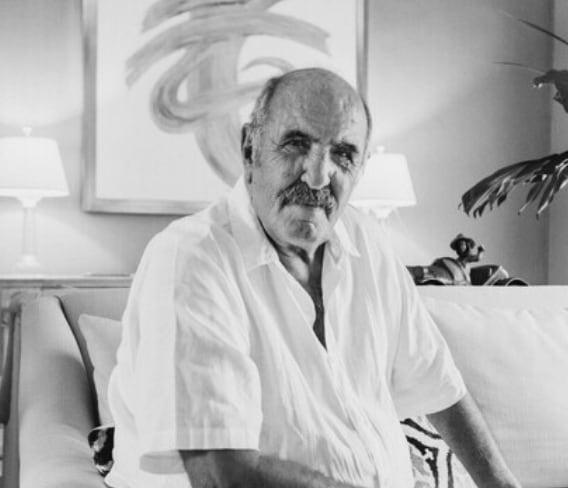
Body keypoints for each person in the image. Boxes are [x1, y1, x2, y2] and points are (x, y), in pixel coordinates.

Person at [106, 67, 521, 488]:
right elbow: (220, 473)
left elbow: (438, 384)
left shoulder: (368, 241)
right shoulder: (190, 258)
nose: (319, 176)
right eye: (296, 144)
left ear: (360, 169)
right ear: (250, 149)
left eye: (343, 154)